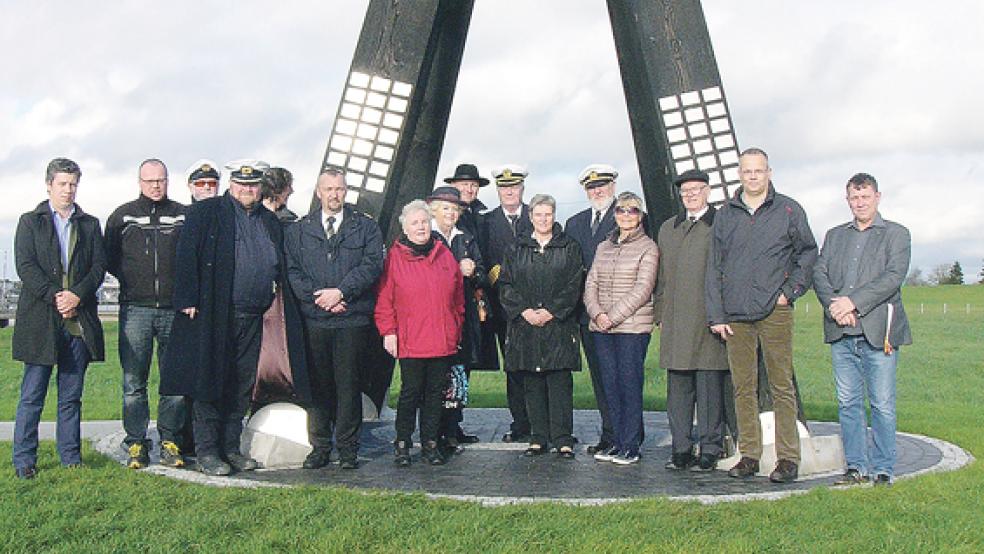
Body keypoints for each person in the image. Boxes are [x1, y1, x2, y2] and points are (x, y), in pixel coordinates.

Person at [161, 159, 300, 476]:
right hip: (214, 314)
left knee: (241, 384)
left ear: (260, 187)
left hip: (253, 314)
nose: (247, 190)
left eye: (252, 185)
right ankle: (208, 451)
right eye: (241, 184)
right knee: (210, 382)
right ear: (231, 184)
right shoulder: (206, 213)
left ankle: (231, 448)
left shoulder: (269, 221)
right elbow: (186, 255)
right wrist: (187, 297)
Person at [706, 147, 817, 483]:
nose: (752, 176)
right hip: (736, 312)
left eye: (758, 170)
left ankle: (788, 458)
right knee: (743, 386)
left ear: (769, 172)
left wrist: (789, 293)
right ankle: (750, 454)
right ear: (739, 174)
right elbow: (714, 265)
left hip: (774, 310)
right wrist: (717, 314)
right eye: (747, 171)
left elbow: (807, 253)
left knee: (781, 385)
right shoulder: (726, 214)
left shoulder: (788, 210)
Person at [813, 173, 911, 487]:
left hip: (878, 332)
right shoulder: (834, 236)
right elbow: (819, 272)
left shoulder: (896, 234)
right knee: (848, 404)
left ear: (877, 197)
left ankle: (883, 468)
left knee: (882, 404)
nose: (860, 203)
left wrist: (853, 303)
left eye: (865, 197)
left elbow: (892, 277)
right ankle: (856, 467)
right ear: (847, 200)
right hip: (842, 333)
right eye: (854, 198)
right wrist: (834, 306)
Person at [12, 158, 106, 480]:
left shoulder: (89, 224)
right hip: (41, 321)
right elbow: (25, 266)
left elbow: (98, 267)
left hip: (77, 323)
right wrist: (57, 297)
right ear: (49, 185)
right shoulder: (30, 222)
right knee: (32, 396)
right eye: (63, 183)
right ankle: (24, 460)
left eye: (73, 184)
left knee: (71, 396)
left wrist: (77, 296)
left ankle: (70, 457)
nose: (68, 189)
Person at [285, 167, 384, 470]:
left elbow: (371, 265)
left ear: (346, 191)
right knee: (318, 387)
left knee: (348, 386)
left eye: (339, 189)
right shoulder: (299, 230)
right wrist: (321, 298)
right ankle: (320, 447)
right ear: (318, 192)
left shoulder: (365, 227)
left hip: (351, 320)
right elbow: (293, 271)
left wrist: (342, 293)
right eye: (328, 189)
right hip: (315, 319)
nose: (334, 194)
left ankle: (348, 448)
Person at [104, 159, 188, 469]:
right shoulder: (122, 216)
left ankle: (170, 440)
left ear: (168, 181)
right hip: (135, 309)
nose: (155, 185)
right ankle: (136, 441)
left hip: (173, 310)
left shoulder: (182, 214)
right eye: (150, 180)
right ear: (140, 182)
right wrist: (133, 281)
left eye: (161, 180)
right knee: (133, 382)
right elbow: (109, 257)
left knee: (174, 382)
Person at [375, 200, 464, 467]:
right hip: (411, 338)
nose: (421, 227)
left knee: (435, 394)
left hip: (442, 338)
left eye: (424, 222)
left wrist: (455, 326)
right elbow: (384, 299)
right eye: (415, 223)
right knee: (411, 392)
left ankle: (430, 443)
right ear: (405, 228)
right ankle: (403, 442)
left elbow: (458, 297)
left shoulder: (444, 254)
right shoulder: (394, 258)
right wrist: (388, 332)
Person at [654, 169, 731, 471]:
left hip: (708, 317)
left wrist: (722, 314)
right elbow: (661, 276)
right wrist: (660, 313)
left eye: (696, 190)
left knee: (709, 386)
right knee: (679, 389)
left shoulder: (720, 224)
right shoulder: (669, 228)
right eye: (685, 191)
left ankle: (710, 447)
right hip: (675, 318)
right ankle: (681, 447)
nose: (690, 196)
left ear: (708, 192)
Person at [498, 194, 584, 459]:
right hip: (525, 326)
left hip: (558, 326)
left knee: (559, 382)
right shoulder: (516, 247)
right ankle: (538, 437)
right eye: (538, 214)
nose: (543, 219)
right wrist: (524, 311)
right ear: (531, 216)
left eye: (548, 214)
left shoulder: (569, 246)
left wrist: (552, 311)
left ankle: (562, 438)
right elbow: (506, 283)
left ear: (554, 215)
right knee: (532, 383)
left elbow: (574, 284)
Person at [583, 191, 657, 465]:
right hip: (602, 327)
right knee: (610, 385)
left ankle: (631, 444)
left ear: (640, 216)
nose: (626, 215)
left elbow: (643, 288)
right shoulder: (603, 247)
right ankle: (615, 440)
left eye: (632, 210)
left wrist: (612, 316)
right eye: (621, 210)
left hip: (631, 327)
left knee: (629, 384)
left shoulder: (648, 247)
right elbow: (591, 282)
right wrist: (597, 313)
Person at [427, 186, 490, 453]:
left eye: (455, 209)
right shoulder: (426, 237)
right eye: (446, 208)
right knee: (436, 376)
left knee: (460, 375)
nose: (451, 213)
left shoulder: (466, 239)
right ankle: (435, 430)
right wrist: (455, 269)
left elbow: (483, 275)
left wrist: (474, 272)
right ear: (433, 210)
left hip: (463, 318)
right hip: (435, 317)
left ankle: (453, 427)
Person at [564, 164, 619, 454]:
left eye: (602, 185)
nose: (597, 191)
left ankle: (626, 435)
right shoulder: (575, 223)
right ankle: (609, 434)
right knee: (600, 377)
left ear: (613, 186)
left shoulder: (628, 217)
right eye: (592, 187)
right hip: (588, 314)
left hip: (619, 314)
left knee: (621, 377)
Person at [481, 164, 533, 443]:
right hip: (504, 308)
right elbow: (484, 261)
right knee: (513, 367)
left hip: (537, 305)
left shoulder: (537, 216)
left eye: (514, 186)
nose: (509, 191)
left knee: (540, 367)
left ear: (522, 188)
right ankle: (521, 423)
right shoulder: (486, 222)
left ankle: (544, 422)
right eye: (504, 187)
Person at [443, 163, 489, 241]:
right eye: (465, 184)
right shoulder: (443, 213)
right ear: (453, 185)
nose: (469, 190)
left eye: (474, 185)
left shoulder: (484, 216)